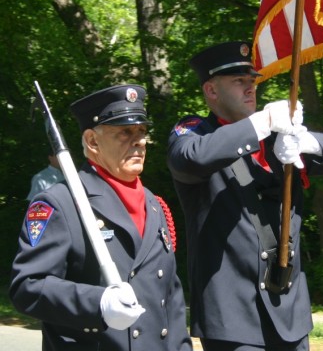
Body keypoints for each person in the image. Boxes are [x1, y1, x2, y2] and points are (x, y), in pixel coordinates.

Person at [167, 41, 323, 351]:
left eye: (252, 82)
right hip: (233, 316)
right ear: (212, 91)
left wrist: (306, 141)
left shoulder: (278, 140)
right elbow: (191, 159)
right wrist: (261, 122)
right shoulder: (196, 132)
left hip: (289, 311)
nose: (250, 89)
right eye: (238, 81)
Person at [10, 85, 193, 351]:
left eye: (142, 131)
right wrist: (98, 303)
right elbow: (27, 287)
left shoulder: (154, 204)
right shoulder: (60, 202)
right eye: (125, 132)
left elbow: (171, 297)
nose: (140, 140)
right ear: (93, 141)